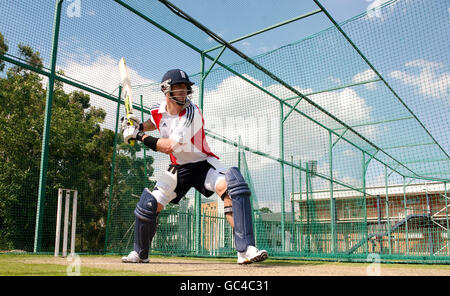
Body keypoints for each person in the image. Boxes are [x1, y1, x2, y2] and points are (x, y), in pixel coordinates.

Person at [120, 69, 268, 264]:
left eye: (185, 89)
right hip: (178, 168)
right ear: (166, 90)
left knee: (231, 187)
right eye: (178, 89)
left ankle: (246, 250)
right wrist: (137, 126)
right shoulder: (157, 109)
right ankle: (140, 253)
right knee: (149, 205)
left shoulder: (192, 113)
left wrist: (138, 136)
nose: (183, 93)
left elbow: (170, 146)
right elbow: (154, 122)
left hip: (202, 164)